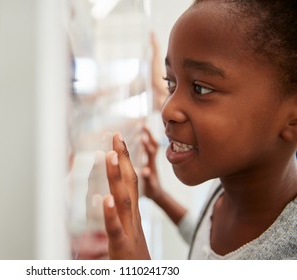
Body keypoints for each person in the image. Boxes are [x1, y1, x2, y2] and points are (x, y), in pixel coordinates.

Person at [102, 0, 297, 259]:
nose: (167, 110)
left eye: (201, 89)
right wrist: (159, 196)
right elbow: (206, 244)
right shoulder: (228, 189)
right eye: (171, 83)